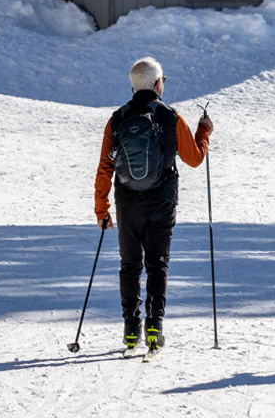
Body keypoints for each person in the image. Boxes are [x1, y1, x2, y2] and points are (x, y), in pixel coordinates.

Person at [94, 57, 213, 354]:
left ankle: (130, 327)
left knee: (130, 264)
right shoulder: (170, 116)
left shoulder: (117, 118)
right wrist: (205, 131)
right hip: (161, 200)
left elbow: (104, 168)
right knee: (157, 264)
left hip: (127, 200)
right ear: (159, 84)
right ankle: (154, 326)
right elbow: (195, 159)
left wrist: (102, 209)